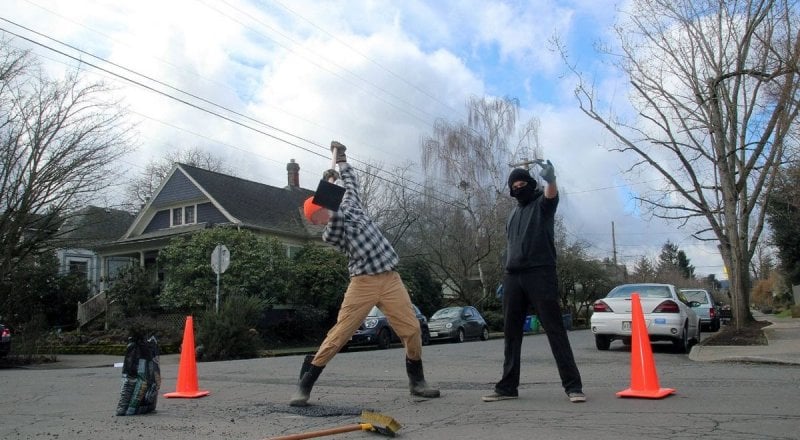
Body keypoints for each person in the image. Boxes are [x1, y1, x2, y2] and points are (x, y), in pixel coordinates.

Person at [290, 140, 440, 406]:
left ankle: (417, 381)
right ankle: (306, 384)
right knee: (340, 334)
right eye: (317, 219)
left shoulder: (352, 205)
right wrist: (328, 191)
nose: (320, 220)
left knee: (412, 329)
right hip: (363, 284)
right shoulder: (331, 233)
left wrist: (343, 159)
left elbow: (352, 184)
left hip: (391, 279)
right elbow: (336, 219)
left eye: (319, 215)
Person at [482, 160, 585, 403]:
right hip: (513, 277)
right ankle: (508, 387)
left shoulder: (541, 204)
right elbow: (511, 245)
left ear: (531, 184)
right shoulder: (513, 214)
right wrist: (505, 276)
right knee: (511, 333)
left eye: (522, 183)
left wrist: (551, 180)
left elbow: (551, 196)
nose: (519, 188)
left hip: (540, 274)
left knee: (554, 329)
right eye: (514, 186)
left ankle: (573, 386)